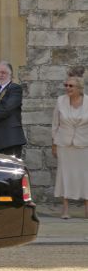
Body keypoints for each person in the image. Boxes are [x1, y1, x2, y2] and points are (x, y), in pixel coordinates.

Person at [51, 68, 88, 219]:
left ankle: (87, 209)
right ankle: (65, 209)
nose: (67, 88)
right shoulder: (60, 101)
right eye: (66, 85)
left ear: (79, 88)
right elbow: (55, 124)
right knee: (64, 176)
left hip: (83, 145)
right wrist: (54, 144)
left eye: (71, 86)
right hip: (64, 144)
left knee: (85, 177)